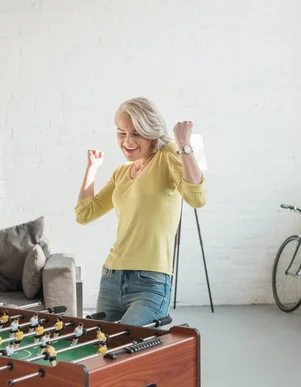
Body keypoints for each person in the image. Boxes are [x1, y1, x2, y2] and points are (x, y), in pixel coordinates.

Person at [74, 97, 206, 326]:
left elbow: (197, 198)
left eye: (136, 133)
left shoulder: (167, 156)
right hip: (111, 278)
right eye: (121, 133)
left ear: (152, 132)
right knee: (101, 352)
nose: (127, 141)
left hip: (150, 282)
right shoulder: (122, 172)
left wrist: (184, 144)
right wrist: (91, 170)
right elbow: (85, 214)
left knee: (129, 352)